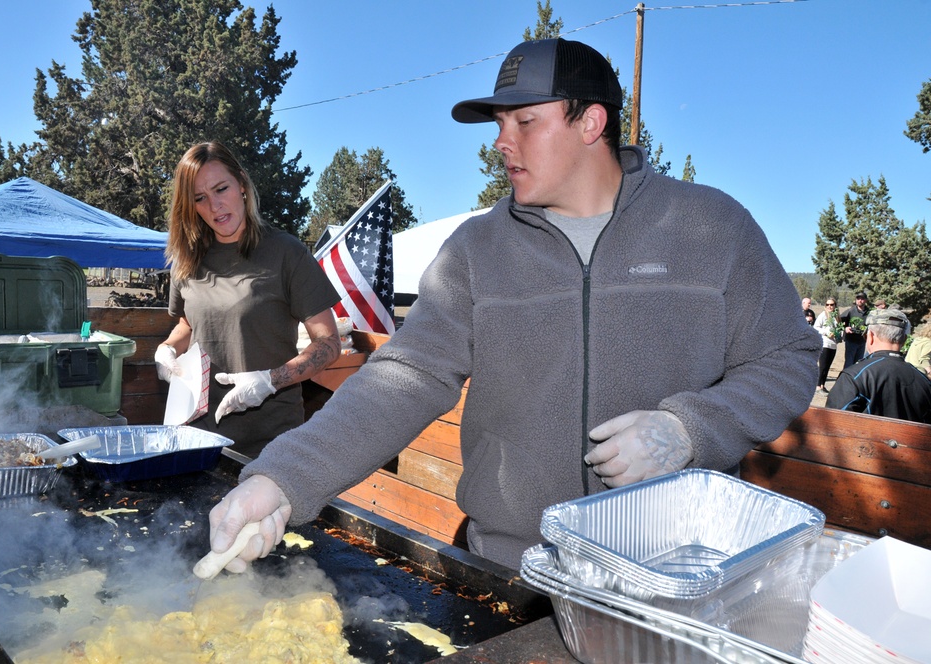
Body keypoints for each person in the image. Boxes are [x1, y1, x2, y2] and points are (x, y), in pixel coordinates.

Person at [202, 38, 821, 573]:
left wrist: (689, 430)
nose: (502, 142)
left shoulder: (709, 226)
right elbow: (403, 377)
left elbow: (788, 356)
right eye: (499, 125)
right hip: (513, 570)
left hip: (672, 572)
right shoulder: (477, 249)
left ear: (590, 123)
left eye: (525, 122)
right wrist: (281, 478)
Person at [154, 141, 342, 458]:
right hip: (197, 438)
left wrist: (271, 380)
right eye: (200, 198)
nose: (214, 206)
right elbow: (188, 324)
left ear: (241, 184)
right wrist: (168, 349)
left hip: (269, 443)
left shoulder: (286, 252)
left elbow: (329, 344)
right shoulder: (187, 258)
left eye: (221, 189)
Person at [826, 309, 931, 424]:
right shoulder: (927, 383)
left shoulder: (854, 377)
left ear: (870, 336)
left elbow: (831, 425)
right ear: (904, 340)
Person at [813, 299, 842, 393]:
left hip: (833, 344)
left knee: (828, 366)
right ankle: (818, 386)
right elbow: (816, 327)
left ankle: (823, 385)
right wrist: (827, 332)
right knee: (823, 366)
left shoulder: (836, 316)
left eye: (832, 304)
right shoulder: (823, 315)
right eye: (827, 304)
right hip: (825, 343)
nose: (830, 306)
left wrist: (839, 334)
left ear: (835, 305)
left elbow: (839, 328)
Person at [840, 292, 870, 368]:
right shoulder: (850, 311)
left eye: (862, 299)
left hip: (862, 341)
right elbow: (838, 321)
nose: (860, 300)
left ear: (865, 300)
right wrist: (844, 329)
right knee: (849, 363)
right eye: (858, 298)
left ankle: (854, 380)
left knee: (858, 364)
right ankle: (846, 379)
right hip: (851, 340)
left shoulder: (869, 312)